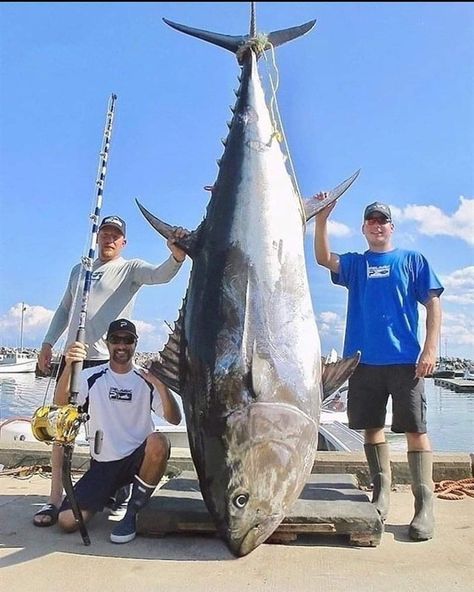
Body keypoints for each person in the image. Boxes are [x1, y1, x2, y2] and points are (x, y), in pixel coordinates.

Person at [33, 214, 188, 527]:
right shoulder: (80, 269)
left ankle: (119, 492)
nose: (109, 239)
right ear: (98, 236)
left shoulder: (130, 269)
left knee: (117, 429)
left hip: (109, 362)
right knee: (62, 433)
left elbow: (161, 275)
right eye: (105, 233)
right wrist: (49, 342)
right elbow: (65, 309)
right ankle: (53, 501)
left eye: (115, 235)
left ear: (123, 242)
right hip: (75, 359)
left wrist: (177, 256)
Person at [314, 198, 443, 541]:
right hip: (363, 362)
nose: (377, 224)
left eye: (382, 220)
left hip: (405, 362)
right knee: (371, 429)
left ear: (391, 226)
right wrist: (322, 219)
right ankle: (381, 492)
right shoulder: (356, 264)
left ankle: (424, 505)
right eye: (371, 220)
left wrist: (430, 348)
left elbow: (433, 303)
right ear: (364, 228)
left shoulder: (412, 260)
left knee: (416, 430)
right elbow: (323, 257)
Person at [55, 319, 182, 543]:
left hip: (136, 460)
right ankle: (116, 493)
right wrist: (69, 366)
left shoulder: (146, 379)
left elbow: (174, 419)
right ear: (107, 343)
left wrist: (161, 385)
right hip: (104, 464)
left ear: (135, 344)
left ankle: (132, 512)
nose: (121, 345)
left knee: (159, 441)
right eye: (116, 340)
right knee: (66, 522)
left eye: (128, 340)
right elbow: (62, 404)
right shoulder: (92, 376)